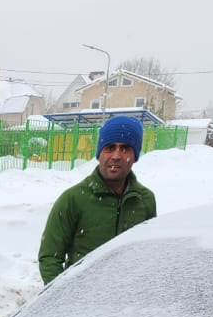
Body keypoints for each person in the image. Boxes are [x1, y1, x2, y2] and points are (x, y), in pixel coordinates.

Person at [37, 115, 157, 285]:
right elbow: (50, 257)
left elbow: (148, 253)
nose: (116, 156)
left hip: (127, 298)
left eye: (125, 148)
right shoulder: (74, 199)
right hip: (81, 298)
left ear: (135, 155)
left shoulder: (144, 200)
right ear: (99, 154)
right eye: (109, 148)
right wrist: (64, 299)